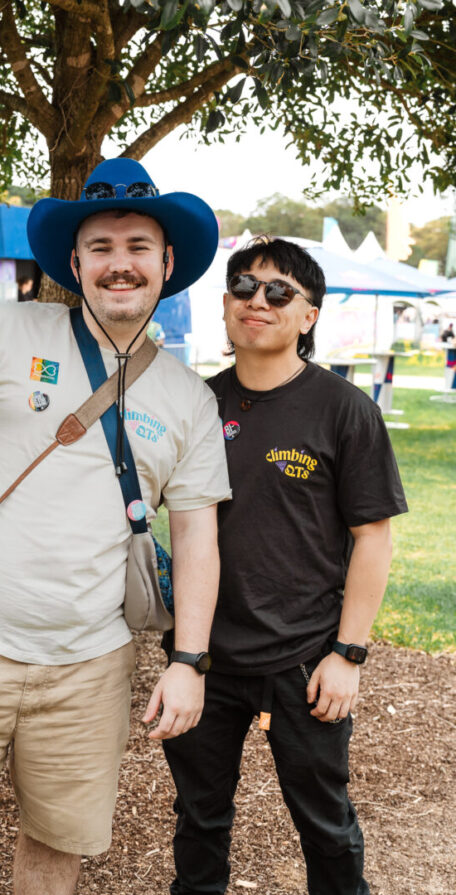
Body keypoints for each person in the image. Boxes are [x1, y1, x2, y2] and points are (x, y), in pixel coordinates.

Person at [0, 157, 231, 895]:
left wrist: (188, 661)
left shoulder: (189, 399)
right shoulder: (2, 331)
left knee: (53, 856)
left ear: (167, 262)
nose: (120, 264)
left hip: (89, 670)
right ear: (75, 261)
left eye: (138, 247)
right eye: (101, 247)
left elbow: (197, 537)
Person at [162, 237, 408, 895]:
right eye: (243, 286)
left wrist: (348, 654)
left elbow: (373, 538)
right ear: (224, 305)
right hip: (205, 657)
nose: (257, 301)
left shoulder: (344, 409)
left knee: (325, 825)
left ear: (308, 316)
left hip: (304, 658)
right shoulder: (195, 404)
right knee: (198, 821)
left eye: (279, 291)